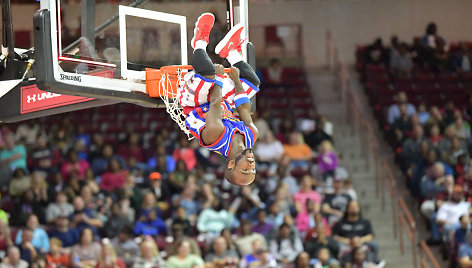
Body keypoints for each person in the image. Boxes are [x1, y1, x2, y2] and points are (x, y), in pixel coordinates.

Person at [177, 13, 261, 186]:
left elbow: (215, 100)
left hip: (195, 103)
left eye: (245, 169)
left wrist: (220, 78)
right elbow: (244, 108)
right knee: (253, 83)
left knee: (209, 73)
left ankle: (199, 42)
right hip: (221, 102)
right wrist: (237, 81)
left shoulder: (216, 136)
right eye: (252, 170)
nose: (251, 166)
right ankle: (230, 52)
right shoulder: (251, 136)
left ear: (231, 164)